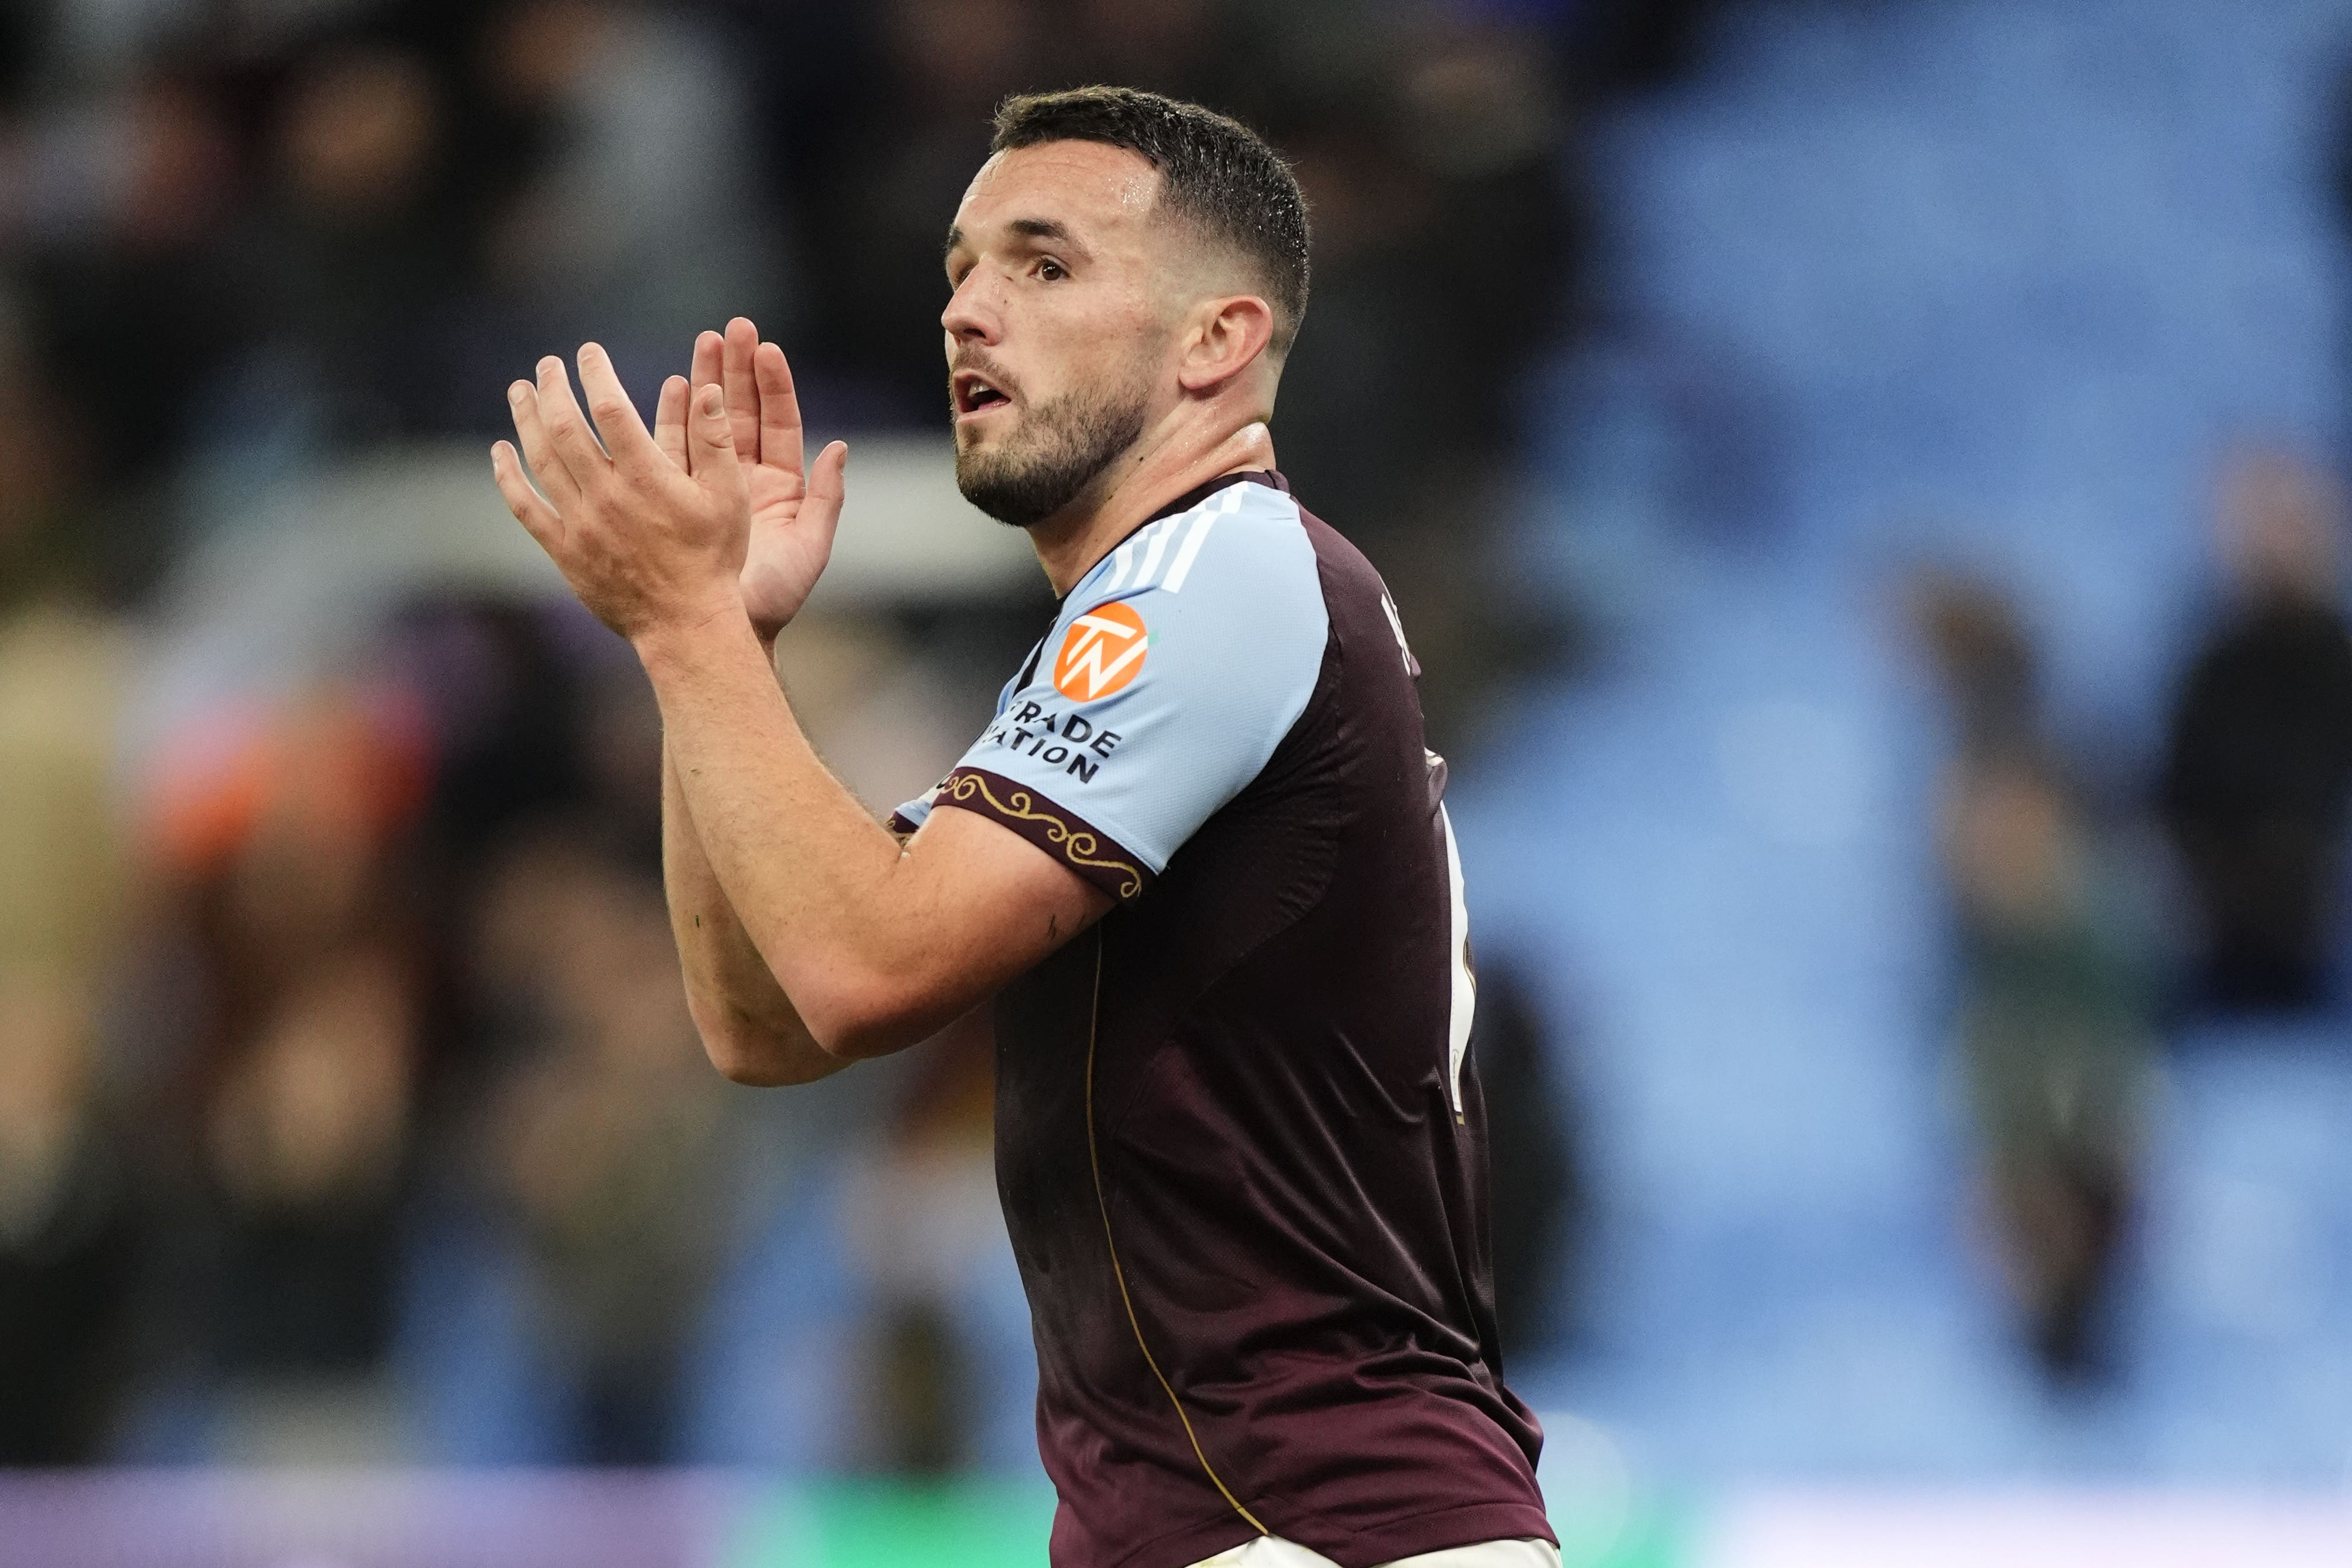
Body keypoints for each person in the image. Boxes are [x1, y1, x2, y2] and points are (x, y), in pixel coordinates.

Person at [490, 86, 1553, 1568]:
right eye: (959, 270)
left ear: (1216, 342)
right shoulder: (1139, 633)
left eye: (1042, 266)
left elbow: (864, 967)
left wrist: (682, 632)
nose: (970, 312)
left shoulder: (1217, 577)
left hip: (1317, 1526)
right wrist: (722, 642)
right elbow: (771, 1021)